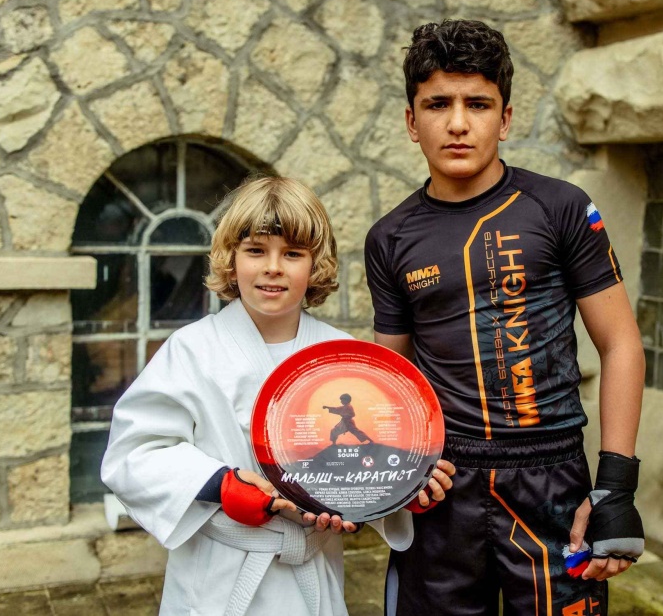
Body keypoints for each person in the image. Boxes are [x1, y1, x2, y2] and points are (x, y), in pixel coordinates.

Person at [365, 20, 646, 616]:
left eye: (478, 104)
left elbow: (620, 343)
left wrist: (615, 488)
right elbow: (392, 377)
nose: (458, 123)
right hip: (443, 484)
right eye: (437, 104)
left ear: (506, 118)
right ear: (411, 121)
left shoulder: (562, 207)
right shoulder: (389, 238)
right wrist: (397, 471)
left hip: (552, 482)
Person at [102, 176, 452, 616]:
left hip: (312, 571)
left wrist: (403, 488)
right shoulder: (191, 350)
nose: (273, 267)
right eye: (255, 251)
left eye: (292, 253)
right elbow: (134, 454)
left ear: (315, 264)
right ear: (231, 260)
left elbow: (361, 456)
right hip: (218, 580)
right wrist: (219, 484)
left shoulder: (344, 356)